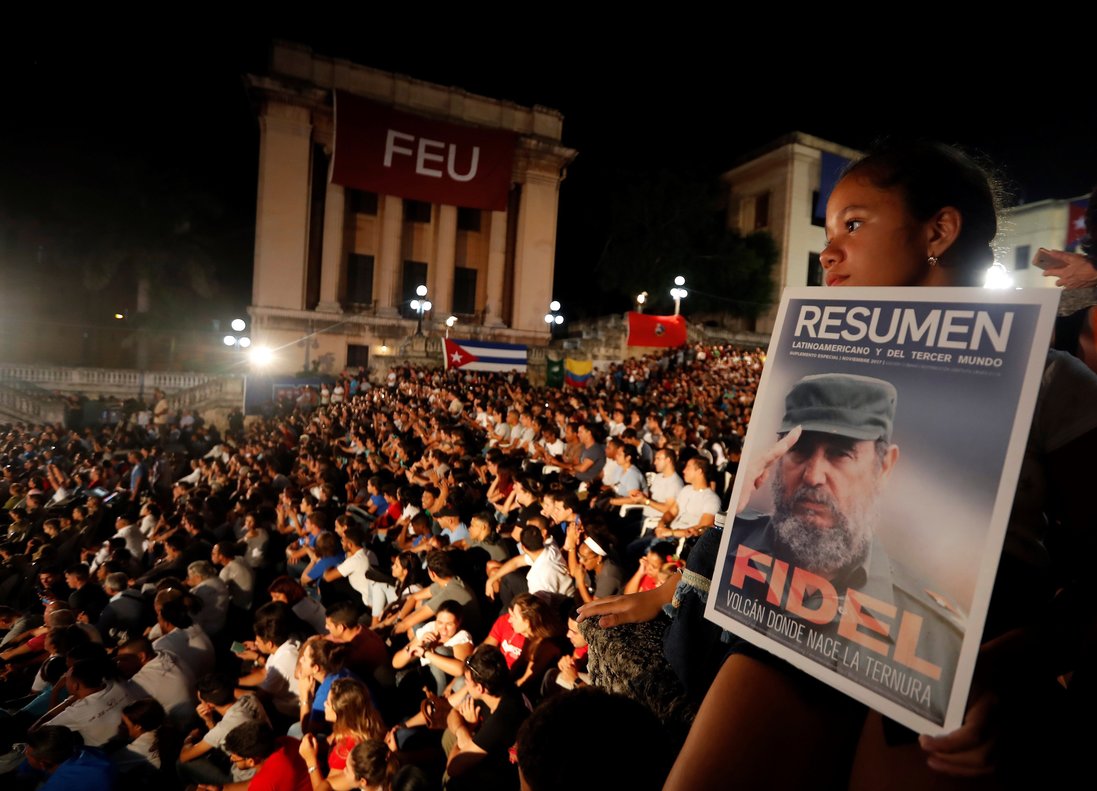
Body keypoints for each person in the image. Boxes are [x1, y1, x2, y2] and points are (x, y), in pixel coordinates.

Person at [580, 141, 1097, 788]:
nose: (828, 251)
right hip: (789, 641)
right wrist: (669, 593)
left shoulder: (1051, 381)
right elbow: (760, 528)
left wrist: (1013, 666)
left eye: (853, 224)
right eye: (828, 230)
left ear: (938, 229)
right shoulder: (812, 366)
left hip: (940, 679)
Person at [706, 373, 962, 724]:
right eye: (799, 449)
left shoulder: (935, 640)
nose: (813, 475)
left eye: (841, 453)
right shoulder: (729, 544)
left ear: (884, 467)